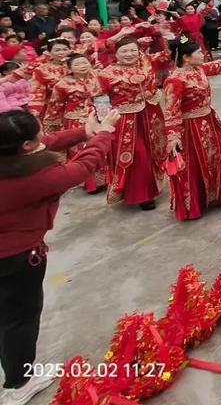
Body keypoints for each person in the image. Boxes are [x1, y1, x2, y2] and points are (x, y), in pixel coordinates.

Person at [0, 108, 120, 404]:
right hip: (16, 259)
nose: (44, 136)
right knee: (20, 319)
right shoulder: (32, 179)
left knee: (8, 315)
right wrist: (104, 134)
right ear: (25, 146)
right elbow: (81, 168)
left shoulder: (9, 157)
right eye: (38, 132)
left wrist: (84, 132)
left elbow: (47, 143)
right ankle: (19, 384)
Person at [162, 39, 221, 221]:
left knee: (218, 156)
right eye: (199, 52)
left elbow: (214, 66)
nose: (203, 55)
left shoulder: (199, 70)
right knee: (193, 164)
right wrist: (173, 136)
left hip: (209, 120)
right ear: (187, 58)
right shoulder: (174, 80)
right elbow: (171, 110)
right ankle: (193, 205)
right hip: (190, 127)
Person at [97, 33, 171, 209]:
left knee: (154, 151)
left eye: (133, 51)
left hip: (151, 114)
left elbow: (168, 54)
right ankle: (143, 195)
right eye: (124, 51)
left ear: (139, 52)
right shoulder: (106, 74)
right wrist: (104, 123)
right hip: (125, 120)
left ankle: (152, 186)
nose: (129, 54)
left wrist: (164, 35)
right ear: (116, 53)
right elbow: (100, 98)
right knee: (138, 155)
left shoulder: (146, 61)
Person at [47, 54, 105, 193]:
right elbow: (56, 105)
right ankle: (90, 183)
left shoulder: (98, 77)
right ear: (70, 68)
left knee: (101, 146)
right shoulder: (62, 84)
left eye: (84, 63)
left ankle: (104, 179)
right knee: (84, 150)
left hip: (98, 116)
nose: (82, 66)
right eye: (77, 64)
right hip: (75, 120)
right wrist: (53, 124)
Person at [27, 39, 70, 133]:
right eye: (57, 50)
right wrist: (35, 110)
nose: (61, 52)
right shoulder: (42, 70)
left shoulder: (76, 66)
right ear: (49, 52)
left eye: (64, 49)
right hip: (52, 107)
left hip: (76, 106)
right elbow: (37, 90)